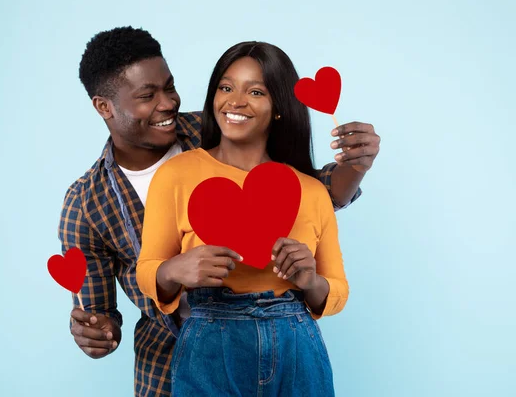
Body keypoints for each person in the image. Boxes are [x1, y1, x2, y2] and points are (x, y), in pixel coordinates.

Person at [59, 26, 380, 397]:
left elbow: (312, 195)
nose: (168, 104)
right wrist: (96, 332)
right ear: (104, 107)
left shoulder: (218, 126)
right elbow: (99, 313)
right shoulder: (85, 203)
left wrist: (356, 166)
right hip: (170, 360)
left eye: (169, 87)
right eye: (148, 95)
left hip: (290, 343)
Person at [136, 41, 351, 396]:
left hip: (297, 347)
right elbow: (147, 268)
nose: (234, 101)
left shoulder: (310, 190)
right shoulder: (176, 175)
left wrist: (311, 280)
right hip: (210, 343)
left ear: (279, 107)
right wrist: (175, 270)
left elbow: (338, 289)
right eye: (225, 87)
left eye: (255, 91)